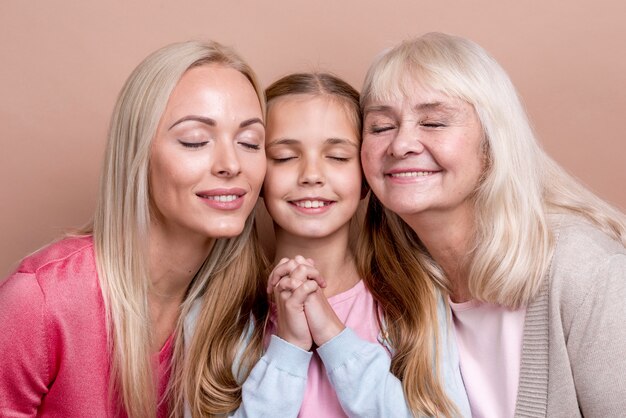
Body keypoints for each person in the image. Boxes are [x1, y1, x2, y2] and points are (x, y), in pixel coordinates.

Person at [358, 32, 626, 417]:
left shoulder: (588, 273)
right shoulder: (395, 284)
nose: (400, 145)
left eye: (434, 122)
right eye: (381, 127)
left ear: (492, 142)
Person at [0, 40, 268, 418]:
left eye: (249, 142)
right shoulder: (38, 301)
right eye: (195, 141)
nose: (231, 164)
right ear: (137, 154)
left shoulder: (246, 308)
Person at [185, 72, 469, 418]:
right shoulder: (214, 312)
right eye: (285, 156)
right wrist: (288, 348)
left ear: (366, 178)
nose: (312, 175)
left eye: (337, 157)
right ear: (257, 175)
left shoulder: (416, 298)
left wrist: (334, 338)